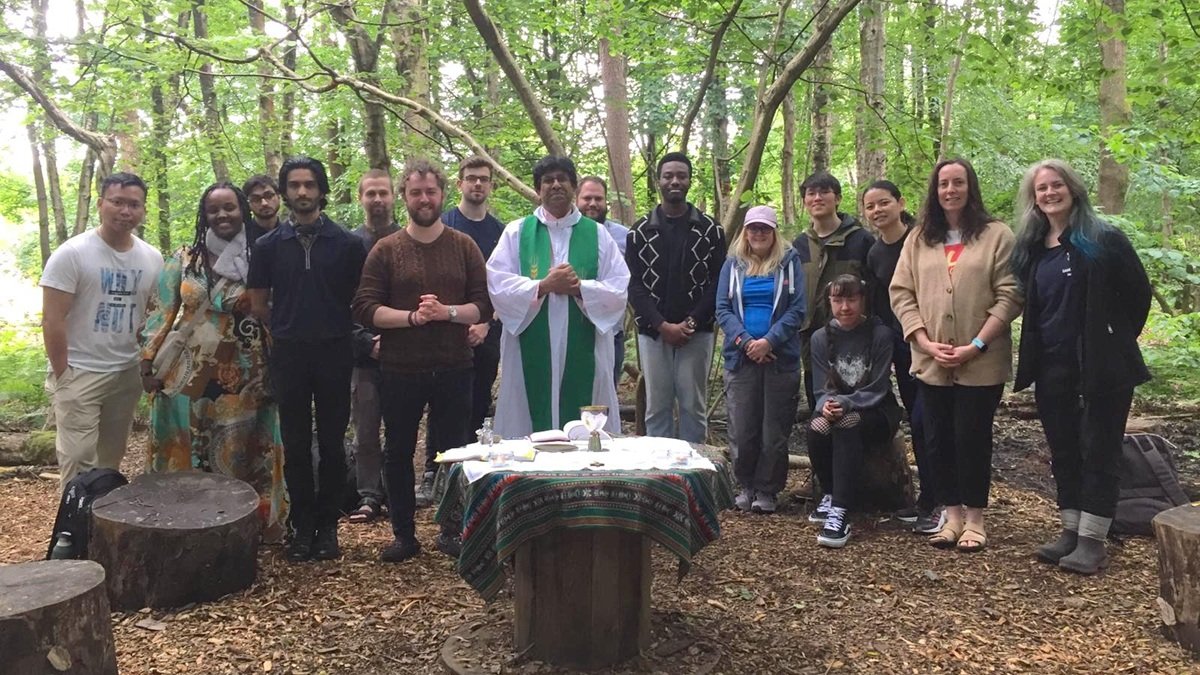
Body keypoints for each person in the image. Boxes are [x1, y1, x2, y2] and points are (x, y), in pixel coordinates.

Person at [1011, 159, 1151, 575]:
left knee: (1099, 450)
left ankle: (1093, 540)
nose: (1049, 193)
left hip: (1102, 368)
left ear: (1073, 190)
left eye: (1056, 186)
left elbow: (1138, 295)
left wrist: (1112, 338)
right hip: (1052, 366)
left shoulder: (1102, 239)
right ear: (1034, 198)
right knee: (1065, 450)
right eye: (1042, 189)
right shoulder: (1035, 247)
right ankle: (1070, 530)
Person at [353, 158, 492, 562]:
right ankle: (404, 534)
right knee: (398, 450)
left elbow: (483, 305)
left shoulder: (464, 246)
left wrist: (446, 312)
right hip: (400, 369)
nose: (424, 198)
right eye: (416, 192)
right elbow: (365, 307)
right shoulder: (386, 249)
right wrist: (413, 318)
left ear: (442, 194)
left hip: (454, 366)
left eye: (431, 191)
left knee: (453, 450)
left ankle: (451, 529)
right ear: (405, 197)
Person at [139, 182, 288, 542]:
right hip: (190, 375)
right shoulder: (185, 257)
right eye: (213, 209)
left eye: (230, 208)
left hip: (249, 372)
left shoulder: (264, 253)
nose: (222, 215)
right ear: (203, 215)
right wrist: (147, 362)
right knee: (192, 450)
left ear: (243, 210)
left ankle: (245, 530)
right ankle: (182, 526)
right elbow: (161, 310)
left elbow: (279, 311)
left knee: (248, 450)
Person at [890, 158, 1022, 553]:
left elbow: (1011, 293)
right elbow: (901, 292)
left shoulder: (997, 235)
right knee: (937, 439)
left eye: (958, 183)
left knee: (972, 438)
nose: (951, 190)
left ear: (970, 187)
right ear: (935, 189)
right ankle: (951, 517)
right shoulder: (919, 238)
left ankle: (976, 520)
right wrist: (924, 342)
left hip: (981, 361)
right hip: (930, 361)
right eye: (944, 183)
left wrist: (976, 344)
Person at [247, 156, 367, 563]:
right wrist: (289, 323)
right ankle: (301, 525)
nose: (302, 192)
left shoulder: (348, 243)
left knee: (333, 444)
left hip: (335, 351)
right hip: (289, 353)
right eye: (294, 185)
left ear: (321, 190)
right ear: (285, 192)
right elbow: (259, 302)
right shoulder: (267, 247)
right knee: (295, 444)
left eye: (309, 184)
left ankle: (328, 526)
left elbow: (359, 299)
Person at [488, 156, 629, 438]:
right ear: (538, 189)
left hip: (586, 344)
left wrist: (579, 288)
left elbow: (618, 287)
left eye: (562, 179)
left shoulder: (598, 234)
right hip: (529, 344)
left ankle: (586, 476)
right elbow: (497, 283)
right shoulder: (517, 232)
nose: (555, 185)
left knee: (586, 416)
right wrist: (543, 285)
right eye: (547, 180)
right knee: (528, 417)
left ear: (573, 186)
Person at [40, 172, 164, 490]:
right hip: (80, 371)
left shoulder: (152, 258)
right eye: (117, 202)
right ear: (100, 204)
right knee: (78, 459)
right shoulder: (73, 254)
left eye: (134, 204)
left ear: (143, 210)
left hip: (126, 373)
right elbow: (52, 319)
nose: (125, 211)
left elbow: (154, 318)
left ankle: (103, 533)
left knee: (110, 460)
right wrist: (62, 372)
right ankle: (71, 535)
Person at [626, 152, 726, 442]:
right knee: (657, 407)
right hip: (653, 333)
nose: (675, 181)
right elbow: (634, 285)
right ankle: (660, 476)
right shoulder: (640, 232)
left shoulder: (711, 230)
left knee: (693, 405)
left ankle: (695, 475)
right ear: (659, 180)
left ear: (690, 180)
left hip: (698, 333)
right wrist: (662, 325)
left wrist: (692, 321)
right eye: (668, 175)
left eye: (681, 175)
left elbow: (718, 280)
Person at [424, 156, 505, 508]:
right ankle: (433, 471)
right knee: (441, 403)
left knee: (478, 401)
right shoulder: (443, 224)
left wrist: (486, 323)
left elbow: (505, 285)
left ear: (491, 186)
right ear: (459, 184)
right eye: (471, 178)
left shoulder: (501, 232)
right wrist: (452, 318)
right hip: (444, 333)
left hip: (487, 331)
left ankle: (473, 471)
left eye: (483, 179)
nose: (477, 184)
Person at [861, 180, 941, 535]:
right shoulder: (876, 252)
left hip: (932, 343)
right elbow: (879, 302)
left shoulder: (924, 240)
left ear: (900, 202)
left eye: (884, 203)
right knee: (915, 418)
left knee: (930, 419)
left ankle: (941, 498)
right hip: (898, 345)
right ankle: (928, 497)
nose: (878, 211)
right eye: (871, 206)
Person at [715, 206, 805, 515]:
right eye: (753, 228)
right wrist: (746, 341)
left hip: (780, 358)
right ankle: (746, 485)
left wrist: (769, 340)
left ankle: (768, 489)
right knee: (743, 427)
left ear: (774, 232)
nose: (758, 234)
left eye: (764, 229)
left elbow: (798, 309)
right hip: (741, 358)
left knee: (773, 428)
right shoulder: (733, 264)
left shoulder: (789, 262)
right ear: (745, 231)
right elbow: (722, 308)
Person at [807, 275, 902, 548]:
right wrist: (826, 404)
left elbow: (878, 387)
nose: (845, 307)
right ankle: (830, 492)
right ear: (829, 302)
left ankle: (840, 511)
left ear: (863, 301)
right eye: (838, 300)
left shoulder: (879, 334)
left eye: (851, 299)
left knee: (846, 423)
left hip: (877, 410)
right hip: (837, 407)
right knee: (817, 427)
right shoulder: (820, 337)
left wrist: (846, 403)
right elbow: (820, 388)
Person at [793, 172, 875, 412]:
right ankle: (822, 449)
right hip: (811, 339)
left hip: (854, 337)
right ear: (805, 201)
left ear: (837, 198)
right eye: (811, 193)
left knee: (856, 405)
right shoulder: (799, 245)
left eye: (824, 192)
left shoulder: (860, 240)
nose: (817, 198)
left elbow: (874, 290)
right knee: (819, 404)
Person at [347, 169, 401, 525]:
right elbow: (338, 300)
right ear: (360, 197)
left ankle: (400, 492)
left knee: (400, 428)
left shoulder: (407, 240)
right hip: (360, 353)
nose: (378, 200)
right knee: (365, 427)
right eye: (371, 194)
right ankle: (368, 494)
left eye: (384, 193)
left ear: (393, 197)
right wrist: (365, 341)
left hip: (403, 352)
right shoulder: (349, 244)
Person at [577, 175, 631, 387]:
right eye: (587, 198)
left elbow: (631, 282)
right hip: (571, 330)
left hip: (611, 330)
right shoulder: (562, 234)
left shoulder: (624, 236)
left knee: (605, 397)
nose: (592, 204)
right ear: (576, 200)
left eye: (598, 199)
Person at [242, 175, 282, 244]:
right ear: (248, 203)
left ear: (278, 196)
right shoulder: (242, 237)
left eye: (269, 196)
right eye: (256, 199)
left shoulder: (293, 234)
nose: (264, 203)